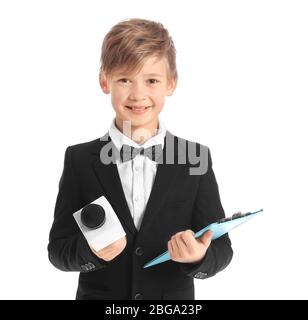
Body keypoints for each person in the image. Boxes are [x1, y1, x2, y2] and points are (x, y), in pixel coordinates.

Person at [48, 18, 233, 300]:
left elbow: (222, 248)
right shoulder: (79, 159)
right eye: (124, 79)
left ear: (171, 83)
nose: (138, 94)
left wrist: (199, 256)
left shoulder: (196, 158)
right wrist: (92, 253)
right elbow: (58, 250)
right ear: (104, 81)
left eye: (152, 80)